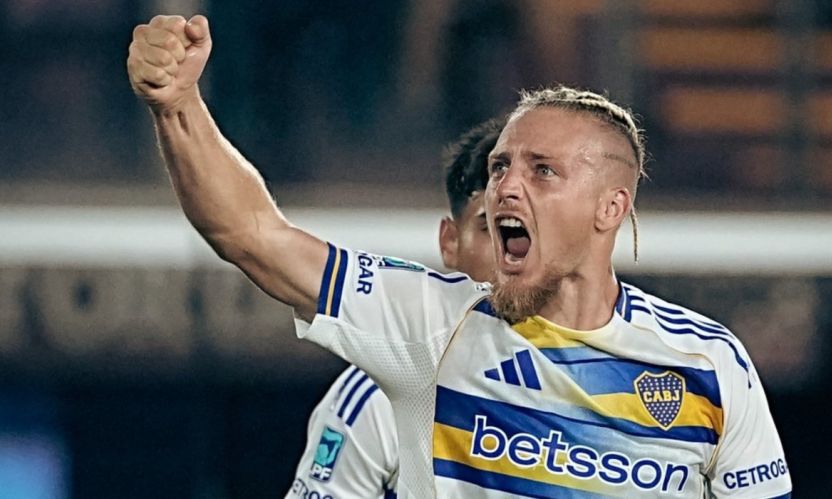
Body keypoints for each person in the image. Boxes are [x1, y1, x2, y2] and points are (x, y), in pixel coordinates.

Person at [127, 15, 792, 498]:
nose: (506, 186)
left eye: (542, 170)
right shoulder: (429, 325)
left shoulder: (707, 365)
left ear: (610, 207)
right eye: (501, 167)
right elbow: (250, 232)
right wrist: (178, 106)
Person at [286, 119, 502, 499]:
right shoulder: (379, 394)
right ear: (450, 242)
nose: (511, 250)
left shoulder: (608, 374)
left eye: (523, 231)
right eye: (491, 227)